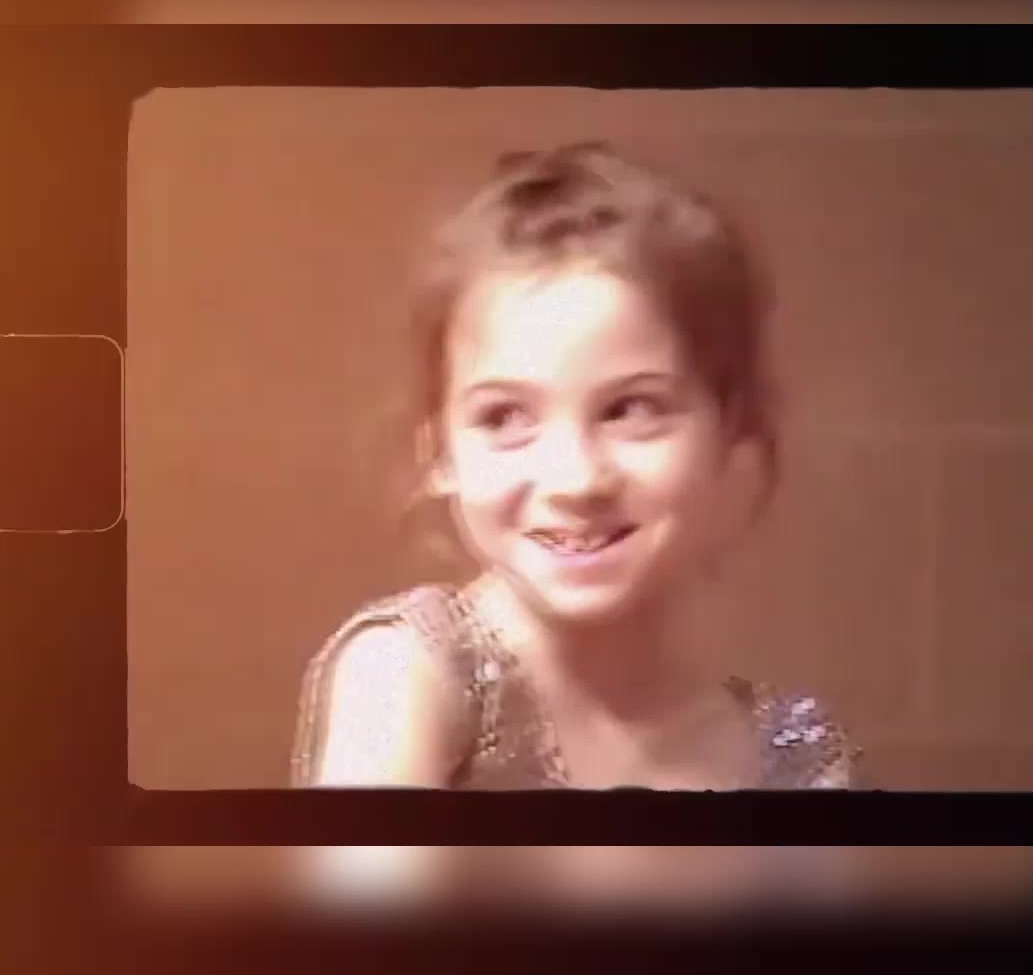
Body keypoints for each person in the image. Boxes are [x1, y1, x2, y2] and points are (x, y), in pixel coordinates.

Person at [290, 140, 861, 791]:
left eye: (631, 410)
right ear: (439, 453)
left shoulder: (793, 758)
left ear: (732, 438)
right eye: (504, 417)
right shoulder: (407, 674)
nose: (576, 479)